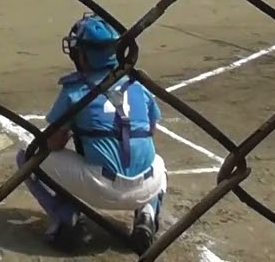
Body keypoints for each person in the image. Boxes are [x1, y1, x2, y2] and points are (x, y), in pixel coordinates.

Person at [16, 13, 168, 254]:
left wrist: (80, 130)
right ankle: (147, 214)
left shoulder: (75, 90)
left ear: (83, 55)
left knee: (27, 156)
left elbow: (53, 144)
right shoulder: (137, 83)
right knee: (157, 161)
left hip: (101, 188)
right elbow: (151, 130)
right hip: (146, 186)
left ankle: (66, 218)